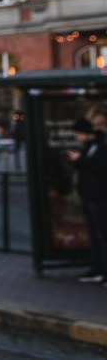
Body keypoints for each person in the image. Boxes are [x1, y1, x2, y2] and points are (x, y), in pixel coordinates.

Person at [68, 113, 107, 283]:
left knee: (102, 235)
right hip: (89, 196)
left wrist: (80, 160)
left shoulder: (102, 147)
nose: (77, 137)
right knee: (94, 234)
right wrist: (77, 160)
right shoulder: (90, 147)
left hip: (100, 197)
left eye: (79, 134)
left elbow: (101, 169)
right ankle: (97, 268)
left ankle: (103, 270)